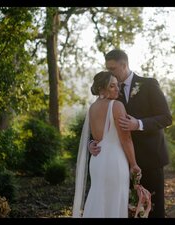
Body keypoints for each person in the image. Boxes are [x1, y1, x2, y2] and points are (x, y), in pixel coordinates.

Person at [89, 49, 172, 218]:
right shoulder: (111, 91)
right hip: (121, 161)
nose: (109, 72)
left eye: (112, 68)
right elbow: (102, 120)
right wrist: (93, 142)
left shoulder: (148, 84)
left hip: (150, 158)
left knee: (152, 208)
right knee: (126, 209)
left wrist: (138, 124)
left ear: (124, 65)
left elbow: (166, 118)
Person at [72, 71, 141, 218]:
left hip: (97, 160)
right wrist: (134, 164)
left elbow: (95, 137)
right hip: (114, 161)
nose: (117, 89)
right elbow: (126, 138)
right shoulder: (117, 106)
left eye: (117, 86)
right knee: (114, 201)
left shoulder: (92, 108)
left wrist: (91, 144)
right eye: (112, 86)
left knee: (98, 198)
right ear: (101, 89)